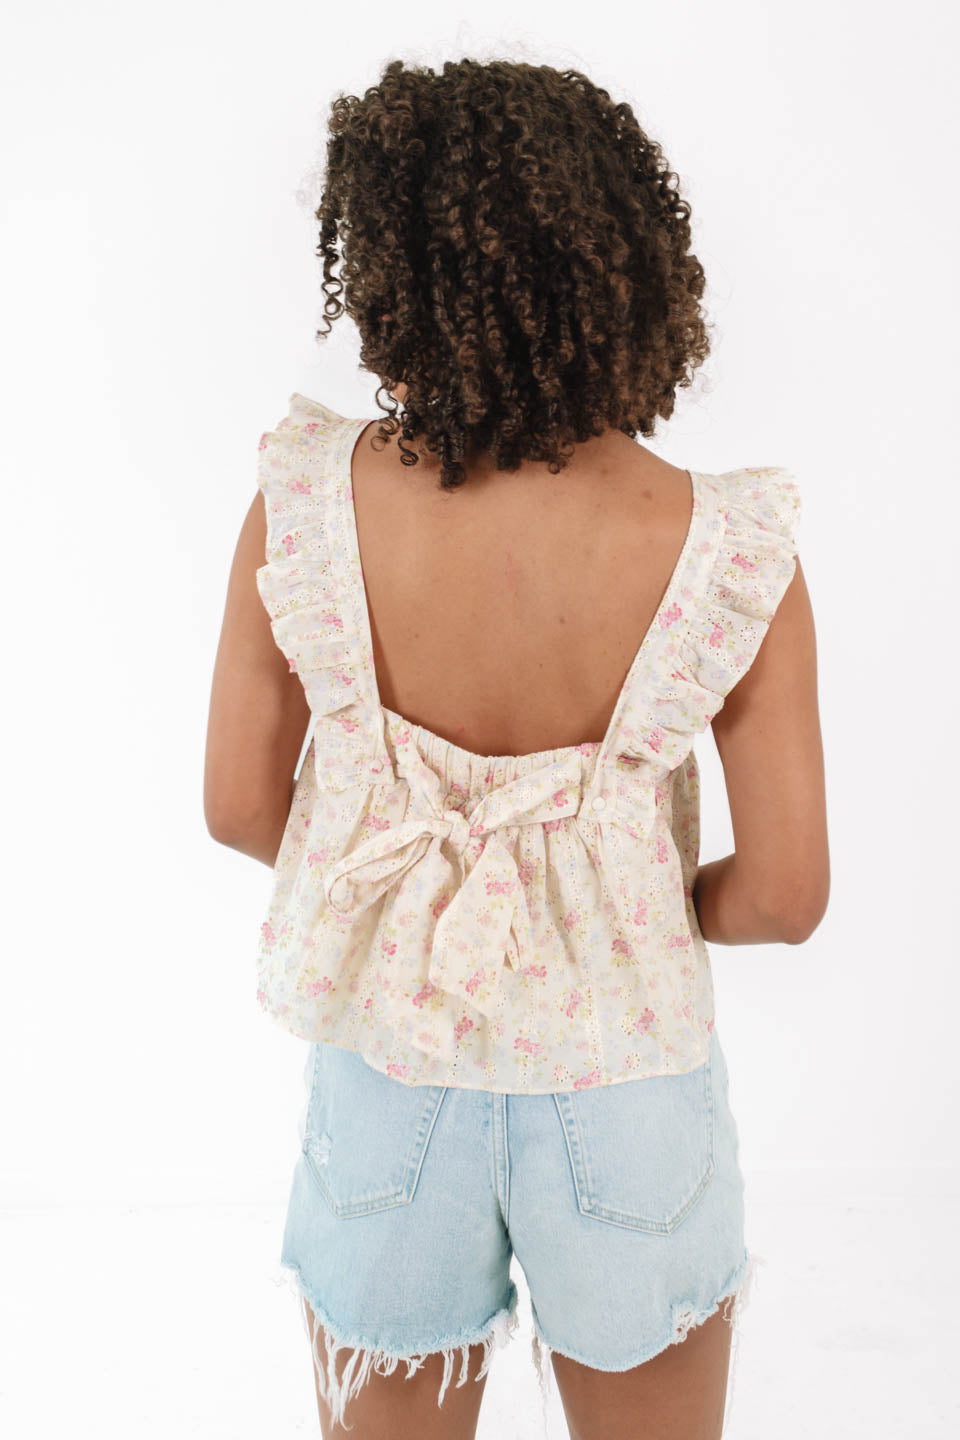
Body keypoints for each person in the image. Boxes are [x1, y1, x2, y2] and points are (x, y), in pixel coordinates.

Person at [204, 56, 829, 1440]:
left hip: (391, 1074)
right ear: (631, 266)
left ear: (391, 272)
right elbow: (788, 896)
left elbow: (239, 806)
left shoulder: (305, 502)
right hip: (628, 1083)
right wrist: (630, 898)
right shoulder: (729, 547)